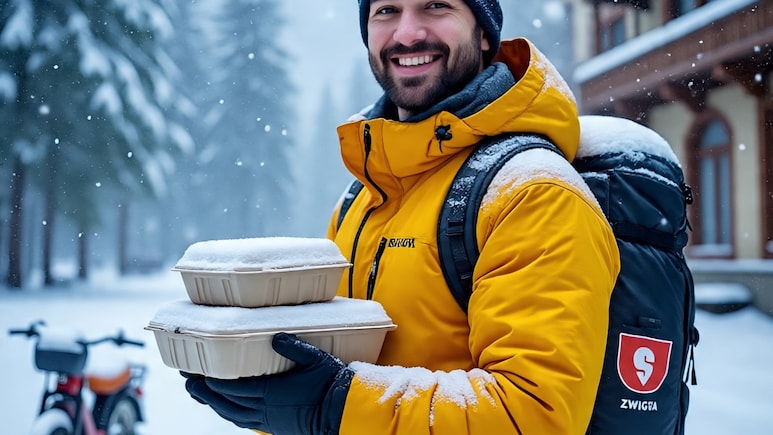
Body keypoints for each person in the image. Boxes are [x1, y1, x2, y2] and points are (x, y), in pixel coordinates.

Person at [183, 1, 621, 434]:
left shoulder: (532, 193)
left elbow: (535, 415)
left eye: (435, 6)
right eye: (387, 11)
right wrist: (272, 397)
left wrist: (335, 405)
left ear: (485, 33)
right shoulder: (362, 198)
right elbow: (320, 373)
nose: (407, 33)